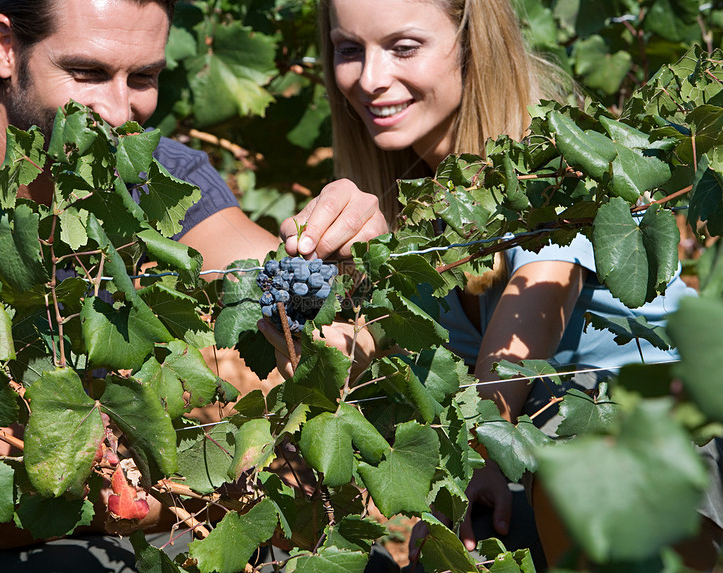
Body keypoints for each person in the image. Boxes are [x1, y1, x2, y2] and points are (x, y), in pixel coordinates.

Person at [0, 0, 390, 570]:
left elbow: (277, 284)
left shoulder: (161, 174)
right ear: (4, 48)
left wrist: (341, 262)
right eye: (87, 73)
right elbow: (4, 498)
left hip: (114, 510)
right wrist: (225, 497)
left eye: (143, 78)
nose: (118, 112)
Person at [260, 0, 723, 569]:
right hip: (541, 443)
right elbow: (398, 358)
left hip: (671, 422)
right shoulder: (410, 189)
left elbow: (541, 293)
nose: (371, 79)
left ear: (472, 41)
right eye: (349, 49)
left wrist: (483, 448)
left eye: (404, 47)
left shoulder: (549, 149)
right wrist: (303, 322)